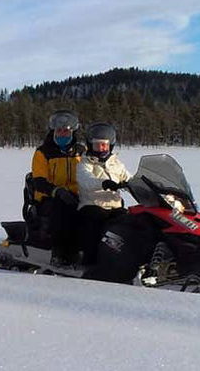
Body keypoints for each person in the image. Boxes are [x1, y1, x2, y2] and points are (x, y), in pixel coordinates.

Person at [27, 110, 85, 266]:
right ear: (53, 131)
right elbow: (39, 180)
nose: (63, 134)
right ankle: (59, 252)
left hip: (76, 194)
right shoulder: (43, 152)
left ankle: (89, 250)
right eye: (59, 130)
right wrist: (56, 191)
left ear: (72, 131)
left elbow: (91, 172)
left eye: (66, 130)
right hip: (49, 196)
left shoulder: (80, 151)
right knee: (62, 209)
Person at [75, 122, 131, 266]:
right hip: (92, 204)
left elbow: (129, 178)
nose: (102, 148)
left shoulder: (116, 163)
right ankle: (90, 262)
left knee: (133, 222)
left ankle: (129, 259)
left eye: (104, 145)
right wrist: (104, 183)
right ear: (90, 145)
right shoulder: (85, 163)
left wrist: (143, 185)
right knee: (95, 222)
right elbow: (85, 180)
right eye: (98, 145)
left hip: (114, 206)